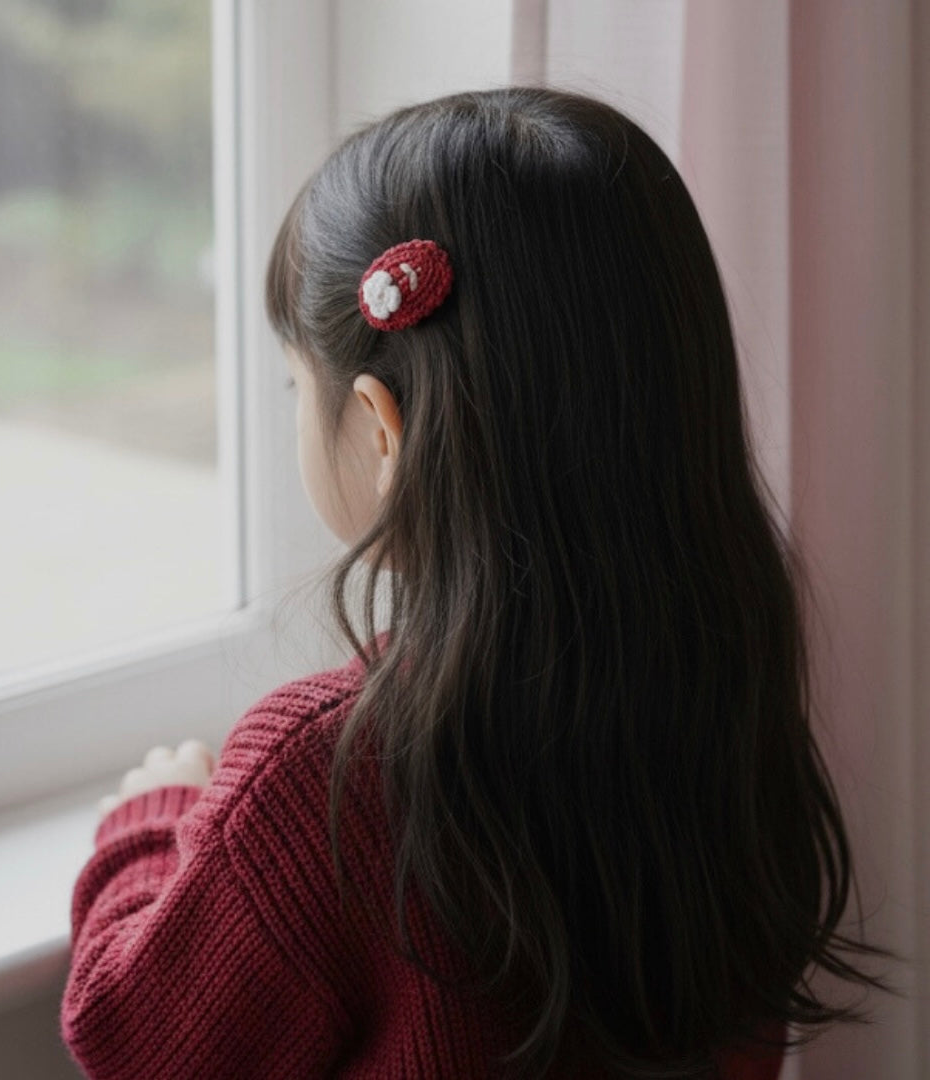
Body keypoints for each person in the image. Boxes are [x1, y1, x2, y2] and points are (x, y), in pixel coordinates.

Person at [60, 86, 897, 1080]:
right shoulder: (725, 692)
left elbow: (133, 1037)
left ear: (380, 428)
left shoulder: (328, 776)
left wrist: (155, 827)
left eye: (297, 387)